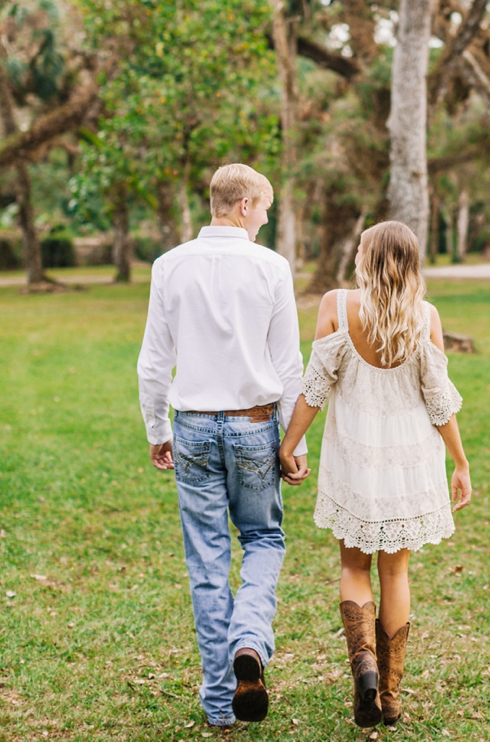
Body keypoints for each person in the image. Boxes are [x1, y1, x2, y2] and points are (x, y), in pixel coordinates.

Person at [279, 220, 472, 728]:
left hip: (354, 459)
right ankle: (389, 695)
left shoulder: (336, 306)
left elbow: (314, 387)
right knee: (396, 572)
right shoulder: (425, 317)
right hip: (408, 464)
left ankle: (363, 664)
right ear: (411, 263)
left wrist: (289, 443)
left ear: (367, 259)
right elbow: (439, 403)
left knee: (353, 568)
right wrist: (461, 461)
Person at [137, 163, 309, 729]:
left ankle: (218, 705)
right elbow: (287, 364)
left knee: (207, 559)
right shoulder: (271, 267)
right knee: (263, 537)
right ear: (242, 206)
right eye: (263, 207)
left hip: (190, 429)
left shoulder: (169, 266)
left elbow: (154, 361)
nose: (265, 217)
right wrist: (293, 442)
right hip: (254, 425)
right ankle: (250, 643)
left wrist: (157, 430)